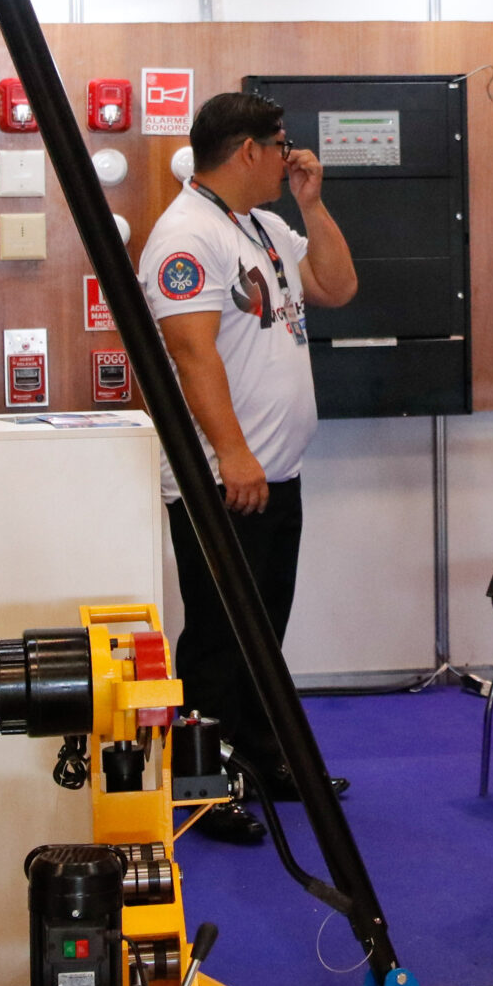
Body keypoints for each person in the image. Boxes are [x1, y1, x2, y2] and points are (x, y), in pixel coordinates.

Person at [139, 91, 358, 844]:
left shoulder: (261, 225)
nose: (290, 156)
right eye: (282, 144)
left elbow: (336, 286)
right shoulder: (185, 235)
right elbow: (191, 353)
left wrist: (312, 205)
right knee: (218, 639)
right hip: (221, 481)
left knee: (262, 632)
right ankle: (203, 787)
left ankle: (263, 760)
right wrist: (233, 452)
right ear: (248, 151)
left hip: (275, 473)